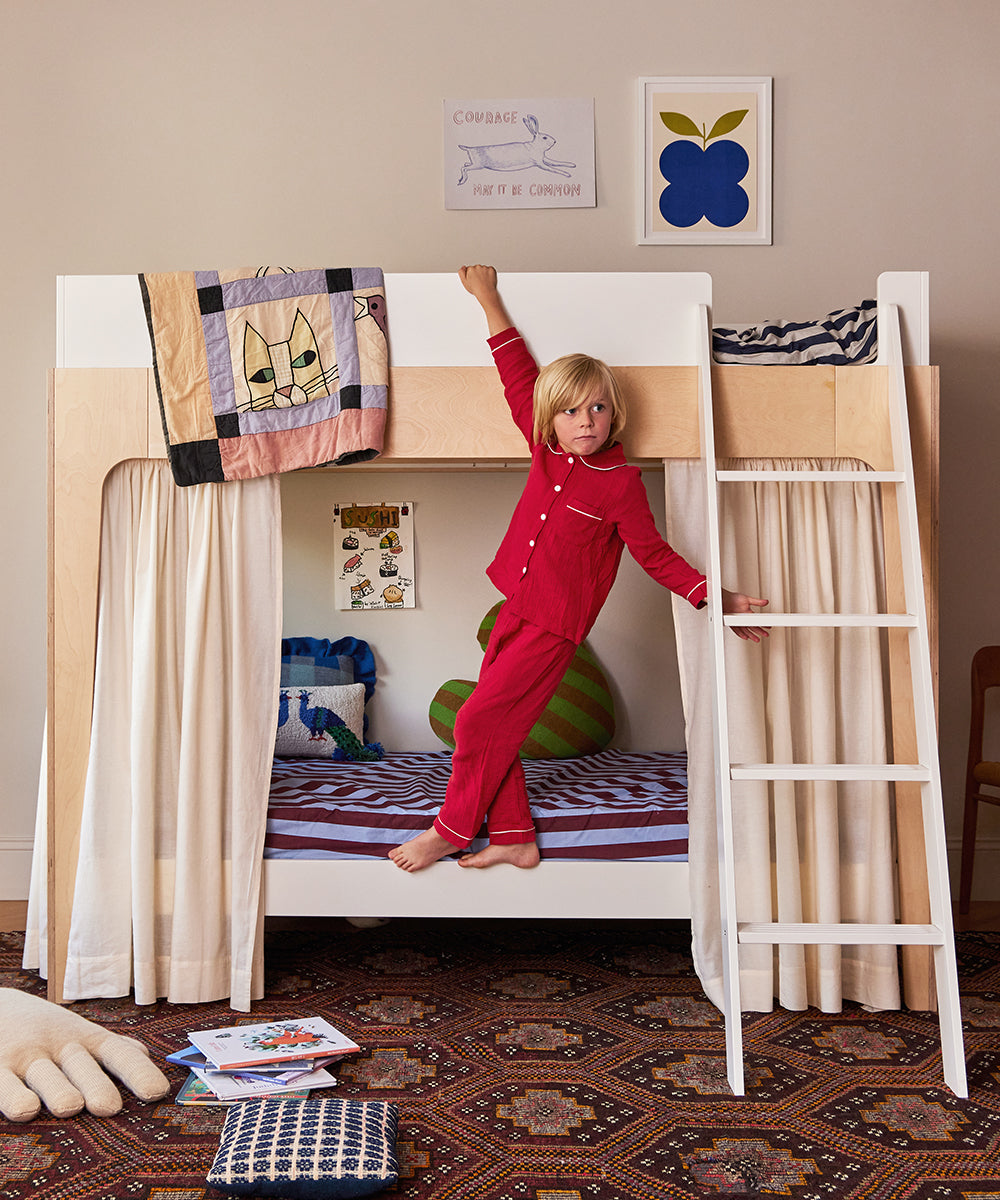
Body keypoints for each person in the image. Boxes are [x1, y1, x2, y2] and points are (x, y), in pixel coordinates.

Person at [388, 265, 768, 874]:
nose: (585, 419)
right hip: (516, 604)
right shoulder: (546, 453)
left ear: (613, 415)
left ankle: (451, 828)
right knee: (496, 720)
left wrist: (715, 599)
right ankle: (514, 835)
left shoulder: (620, 484)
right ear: (551, 420)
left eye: (596, 408)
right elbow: (518, 378)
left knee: (478, 718)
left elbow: (654, 554)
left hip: (553, 626)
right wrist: (487, 299)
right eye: (569, 411)